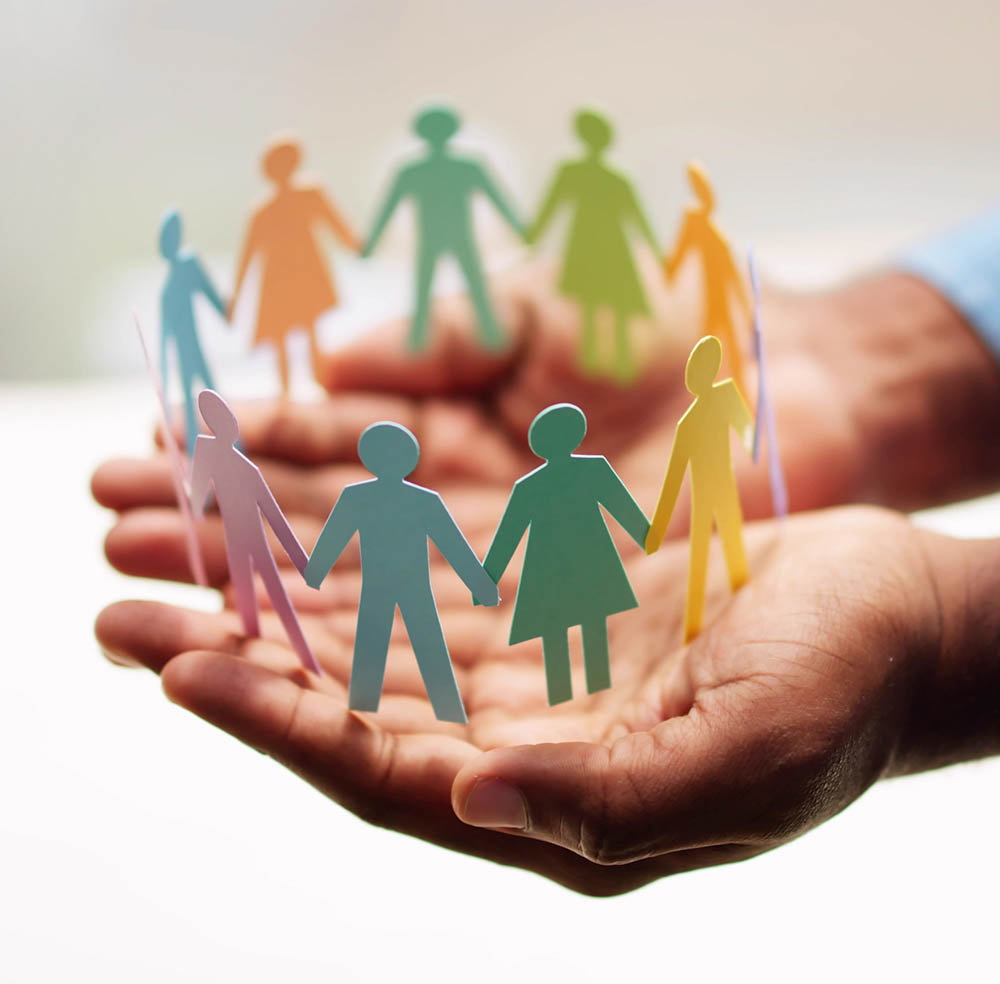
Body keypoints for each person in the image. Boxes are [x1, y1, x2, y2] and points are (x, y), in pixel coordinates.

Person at [92, 212, 1000, 896]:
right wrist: (867, 356)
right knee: (465, 644)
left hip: (529, 570)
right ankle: (444, 680)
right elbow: (433, 531)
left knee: (464, 641)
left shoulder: (495, 489)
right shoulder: (483, 488)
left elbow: (472, 526)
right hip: (542, 571)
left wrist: (957, 627)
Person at [302, 420, 500, 723]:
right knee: (398, 640)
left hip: (402, 583)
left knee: (408, 639)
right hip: (395, 583)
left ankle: (437, 707)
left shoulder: (383, 498)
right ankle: (399, 705)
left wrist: (315, 572)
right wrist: (480, 585)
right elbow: (335, 536)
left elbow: (453, 544)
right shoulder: (407, 499)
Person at [481, 403, 648, 705]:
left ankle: (579, 688)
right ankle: (579, 687)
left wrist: (486, 580)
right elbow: (510, 532)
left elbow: (508, 535)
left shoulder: (536, 484)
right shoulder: (580, 473)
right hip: (579, 558)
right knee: (582, 620)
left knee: (567, 624)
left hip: (566, 560)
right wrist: (646, 537)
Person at [362, 106, 524, 351]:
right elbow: (388, 208)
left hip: (456, 236)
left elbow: (498, 199)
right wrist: (371, 243)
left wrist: (521, 231)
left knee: (472, 285)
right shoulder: (413, 170)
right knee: (428, 286)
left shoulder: (463, 166)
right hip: (434, 238)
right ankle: (419, 339)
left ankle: (488, 334)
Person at [190, 389, 321, 675]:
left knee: (272, 591)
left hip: (252, 533)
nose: (231, 427)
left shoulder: (241, 464)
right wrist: (196, 510)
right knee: (253, 594)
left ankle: (301, 655)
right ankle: (257, 643)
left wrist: (302, 562)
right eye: (224, 420)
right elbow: (199, 496)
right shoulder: (212, 453)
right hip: (237, 535)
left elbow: (273, 514)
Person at [527, 110, 659, 382]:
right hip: (593, 244)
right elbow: (553, 205)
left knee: (605, 305)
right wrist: (532, 239)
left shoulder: (609, 177)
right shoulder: (599, 175)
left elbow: (637, 216)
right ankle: (597, 367)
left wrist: (532, 237)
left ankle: (618, 365)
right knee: (594, 305)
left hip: (605, 244)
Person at [645, 335, 754, 642]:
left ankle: (740, 595)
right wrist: (657, 530)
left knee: (731, 543)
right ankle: (694, 620)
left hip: (724, 482)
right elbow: (675, 477)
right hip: (703, 491)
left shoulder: (726, 396)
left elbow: (746, 429)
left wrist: (755, 446)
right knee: (701, 553)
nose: (697, 378)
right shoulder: (688, 423)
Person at [231, 138, 360, 394]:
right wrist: (235, 299)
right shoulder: (263, 211)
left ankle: (319, 387)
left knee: (308, 332)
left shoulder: (308, 195)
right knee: (287, 337)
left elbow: (337, 225)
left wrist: (357, 246)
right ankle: (287, 393)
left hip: (303, 274)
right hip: (280, 279)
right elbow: (248, 256)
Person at [664, 162, 752, 395]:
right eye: (701, 188)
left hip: (725, 301)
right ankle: (706, 404)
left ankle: (742, 399)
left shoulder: (714, 228)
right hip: (712, 301)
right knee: (709, 353)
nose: (708, 195)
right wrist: (668, 274)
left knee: (733, 351)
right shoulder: (694, 220)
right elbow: (680, 251)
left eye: (707, 189)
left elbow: (733, 274)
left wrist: (746, 311)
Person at [158, 210, 227, 455]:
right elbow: (164, 339)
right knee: (191, 405)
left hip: (194, 351)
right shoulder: (166, 291)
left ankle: (235, 446)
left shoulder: (188, 266)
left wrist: (225, 311)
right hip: (185, 357)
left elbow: (208, 290)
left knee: (213, 397)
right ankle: (196, 459)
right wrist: (163, 381)